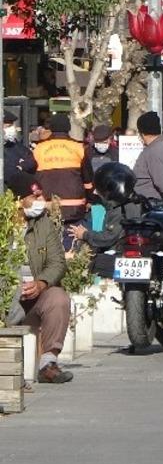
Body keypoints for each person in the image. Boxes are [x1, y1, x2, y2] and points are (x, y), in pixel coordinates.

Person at [7, 173, 73, 383]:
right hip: (7, 298)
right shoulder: (4, 225)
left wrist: (42, 283)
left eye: (40, 195)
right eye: (33, 196)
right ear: (17, 200)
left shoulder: (43, 223)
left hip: (34, 297)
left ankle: (48, 363)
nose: (39, 201)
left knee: (58, 298)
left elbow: (57, 262)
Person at [33, 113, 93, 249]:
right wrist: (90, 200)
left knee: (50, 250)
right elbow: (88, 181)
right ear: (68, 128)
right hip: (74, 210)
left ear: (51, 128)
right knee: (71, 249)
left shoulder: (39, 149)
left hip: (48, 209)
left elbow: (29, 176)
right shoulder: (79, 148)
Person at [132, 111, 163, 202]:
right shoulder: (161, 146)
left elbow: (162, 183)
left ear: (142, 133)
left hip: (151, 204)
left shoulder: (154, 151)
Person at [3, 111, 36, 182]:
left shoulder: (15, 145)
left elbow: (31, 161)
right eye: (8, 126)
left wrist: (21, 166)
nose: (12, 129)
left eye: (12, 125)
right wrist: (15, 168)